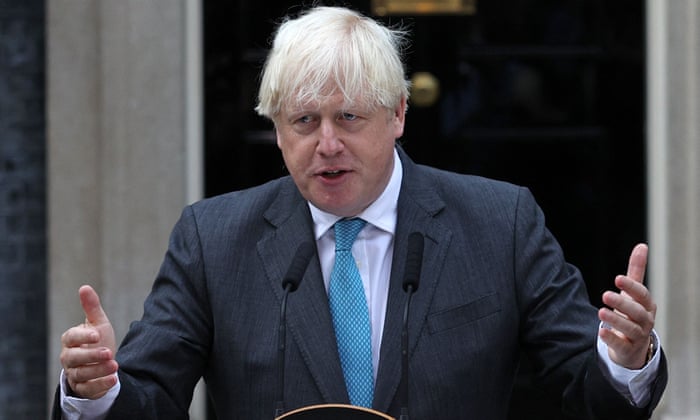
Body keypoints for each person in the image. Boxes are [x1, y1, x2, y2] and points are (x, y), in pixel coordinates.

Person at [55, 6, 667, 419]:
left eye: (348, 117)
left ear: (398, 115)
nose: (326, 144)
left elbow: (587, 391)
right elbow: (148, 396)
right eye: (303, 121)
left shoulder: (499, 223)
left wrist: (626, 358)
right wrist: (97, 390)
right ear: (276, 129)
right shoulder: (213, 241)